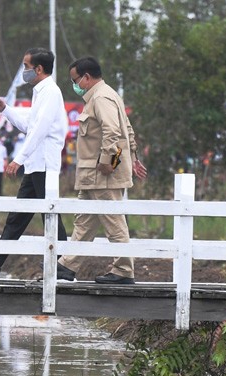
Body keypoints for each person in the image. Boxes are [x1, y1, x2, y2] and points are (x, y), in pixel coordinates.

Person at [0, 47, 69, 279]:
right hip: (35, 165)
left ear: (39, 69)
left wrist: (17, 160)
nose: (24, 71)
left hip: (43, 164)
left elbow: (40, 130)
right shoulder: (40, 92)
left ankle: (65, 266)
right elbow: (29, 126)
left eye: (26, 66)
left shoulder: (51, 92)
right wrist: (5, 109)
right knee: (18, 216)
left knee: (50, 218)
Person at [56, 56, 147, 284]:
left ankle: (124, 271)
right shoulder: (106, 95)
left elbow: (114, 132)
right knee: (84, 221)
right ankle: (66, 266)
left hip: (102, 174)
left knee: (113, 221)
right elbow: (128, 129)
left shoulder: (101, 97)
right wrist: (133, 157)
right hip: (93, 174)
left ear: (86, 77)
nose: (75, 85)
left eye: (75, 80)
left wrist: (108, 162)